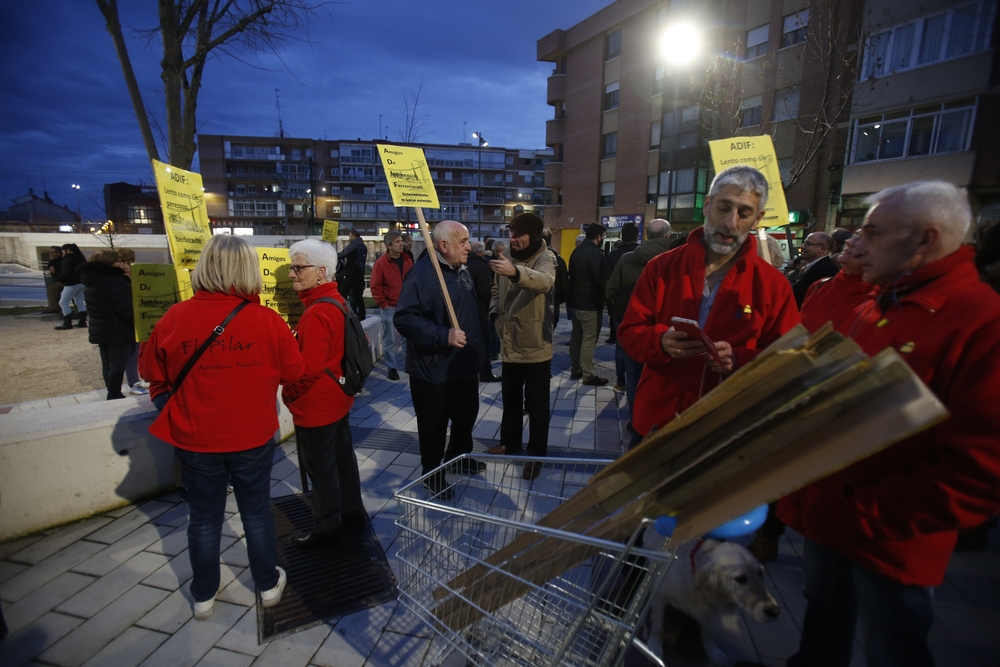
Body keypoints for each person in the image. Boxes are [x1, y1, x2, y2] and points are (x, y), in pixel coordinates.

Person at [777, 181, 1000, 667]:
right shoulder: (877, 302)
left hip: (891, 542)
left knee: (893, 647)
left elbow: (980, 470)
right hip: (828, 514)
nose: (855, 244)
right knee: (823, 622)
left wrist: (864, 514)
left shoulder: (981, 321)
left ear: (925, 239)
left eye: (874, 232)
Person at [141, 235, 303, 620]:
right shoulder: (267, 320)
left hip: (195, 436)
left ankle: (203, 595)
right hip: (251, 435)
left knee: (204, 516)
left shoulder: (174, 318)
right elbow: (294, 373)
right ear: (247, 271)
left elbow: (151, 373)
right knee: (257, 512)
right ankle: (265, 585)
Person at [618, 166, 799, 447]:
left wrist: (738, 359)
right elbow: (629, 333)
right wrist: (661, 342)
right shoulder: (661, 268)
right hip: (657, 421)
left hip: (727, 428)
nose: (730, 222)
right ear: (707, 205)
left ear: (758, 219)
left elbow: (789, 357)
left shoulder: (773, 284)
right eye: (723, 207)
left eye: (744, 213)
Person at [281, 239, 366, 548]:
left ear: (320, 272)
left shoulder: (316, 313)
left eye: (298, 267)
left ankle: (327, 530)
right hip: (338, 397)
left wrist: (288, 395)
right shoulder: (337, 300)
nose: (292, 274)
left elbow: (308, 370)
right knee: (343, 459)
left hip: (317, 404)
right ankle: (353, 513)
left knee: (321, 470)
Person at [394, 220, 486, 500]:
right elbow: (405, 318)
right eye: (463, 242)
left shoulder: (461, 270)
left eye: (468, 241)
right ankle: (432, 474)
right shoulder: (422, 275)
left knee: (465, 415)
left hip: (463, 364)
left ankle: (458, 456)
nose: (468, 247)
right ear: (443, 245)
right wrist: (443, 335)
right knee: (433, 425)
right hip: (433, 368)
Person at [485, 212, 556, 480]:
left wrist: (515, 272)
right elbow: (495, 290)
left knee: (537, 406)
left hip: (536, 344)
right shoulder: (508, 257)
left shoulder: (545, 258)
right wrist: (496, 316)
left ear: (534, 237)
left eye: (518, 234)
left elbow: (545, 281)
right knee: (510, 400)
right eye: (511, 233)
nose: (512, 239)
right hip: (510, 342)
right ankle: (510, 443)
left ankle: (536, 456)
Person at [605, 219, 672, 424]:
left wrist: (618, 309)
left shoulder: (627, 259)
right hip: (663, 324)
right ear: (667, 236)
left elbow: (610, 289)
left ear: (647, 235)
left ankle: (636, 417)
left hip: (629, 318)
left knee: (632, 370)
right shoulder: (674, 257)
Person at [79, 250, 136, 400]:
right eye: (119, 261)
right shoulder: (115, 281)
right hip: (118, 330)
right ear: (111, 263)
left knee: (107, 363)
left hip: (101, 329)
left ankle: (111, 390)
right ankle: (114, 393)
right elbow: (125, 309)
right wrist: (136, 325)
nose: (122, 264)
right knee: (118, 364)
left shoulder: (92, 281)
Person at [369, 231, 413, 381]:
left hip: (407, 306)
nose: (401, 244)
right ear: (389, 246)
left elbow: (413, 282)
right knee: (389, 339)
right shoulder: (381, 263)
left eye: (401, 241)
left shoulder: (407, 260)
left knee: (408, 337)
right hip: (390, 307)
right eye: (397, 242)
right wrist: (384, 304)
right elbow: (375, 286)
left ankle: (409, 364)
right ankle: (391, 366)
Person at [568, 223, 608, 385]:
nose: (604, 239)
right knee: (589, 339)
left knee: (576, 337)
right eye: (603, 237)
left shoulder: (577, 251)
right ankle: (588, 374)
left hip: (576, 302)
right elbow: (601, 279)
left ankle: (575, 369)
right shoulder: (595, 254)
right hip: (590, 304)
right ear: (598, 237)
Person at [466, 241, 502, 382]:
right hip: (481, 311)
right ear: (481, 252)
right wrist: (492, 307)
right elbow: (486, 291)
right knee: (484, 343)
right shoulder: (481, 266)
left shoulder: (462, 263)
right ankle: (485, 372)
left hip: (467, 309)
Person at [115, 247, 148, 396]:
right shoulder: (116, 281)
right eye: (123, 262)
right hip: (124, 322)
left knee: (137, 354)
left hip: (137, 320)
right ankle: (129, 384)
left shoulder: (137, 278)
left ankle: (135, 382)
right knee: (128, 356)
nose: (126, 267)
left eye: (129, 263)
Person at [604, 223, 640, 350]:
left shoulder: (613, 255)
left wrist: (612, 301)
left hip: (619, 303)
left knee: (621, 341)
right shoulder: (643, 254)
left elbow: (608, 282)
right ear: (636, 237)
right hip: (640, 303)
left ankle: (620, 369)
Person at [791, 232, 839, 307]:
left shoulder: (822, 270)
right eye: (804, 243)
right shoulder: (819, 266)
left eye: (808, 244)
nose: (803, 246)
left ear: (821, 248)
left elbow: (797, 293)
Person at [54, 243, 88, 330]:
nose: (62, 253)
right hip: (81, 282)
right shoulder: (81, 258)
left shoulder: (67, 260)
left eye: (63, 251)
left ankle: (67, 323)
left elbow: (66, 273)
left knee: (63, 302)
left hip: (71, 283)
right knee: (79, 301)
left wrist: (60, 279)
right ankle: (82, 321)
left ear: (67, 250)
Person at [337, 229, 368, 319]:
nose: (349, 237)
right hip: (360, 274)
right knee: (358, 296)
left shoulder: (353, 245)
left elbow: (342, 254)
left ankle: (340, 312)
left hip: (351, 274)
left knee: (343, 294)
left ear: (353, 236)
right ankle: (362, 315)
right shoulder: (363, 246)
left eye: (350, 235)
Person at [43, 245, 64, 314]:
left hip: (65, 281)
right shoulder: (52, 262)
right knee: (53, 289)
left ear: (58, 253)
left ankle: (54, 307)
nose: (52, 254)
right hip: (59, 280)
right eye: (50, 252)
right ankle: (55, 307)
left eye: (53, 252)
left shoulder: (63, 261)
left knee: (52, 289)